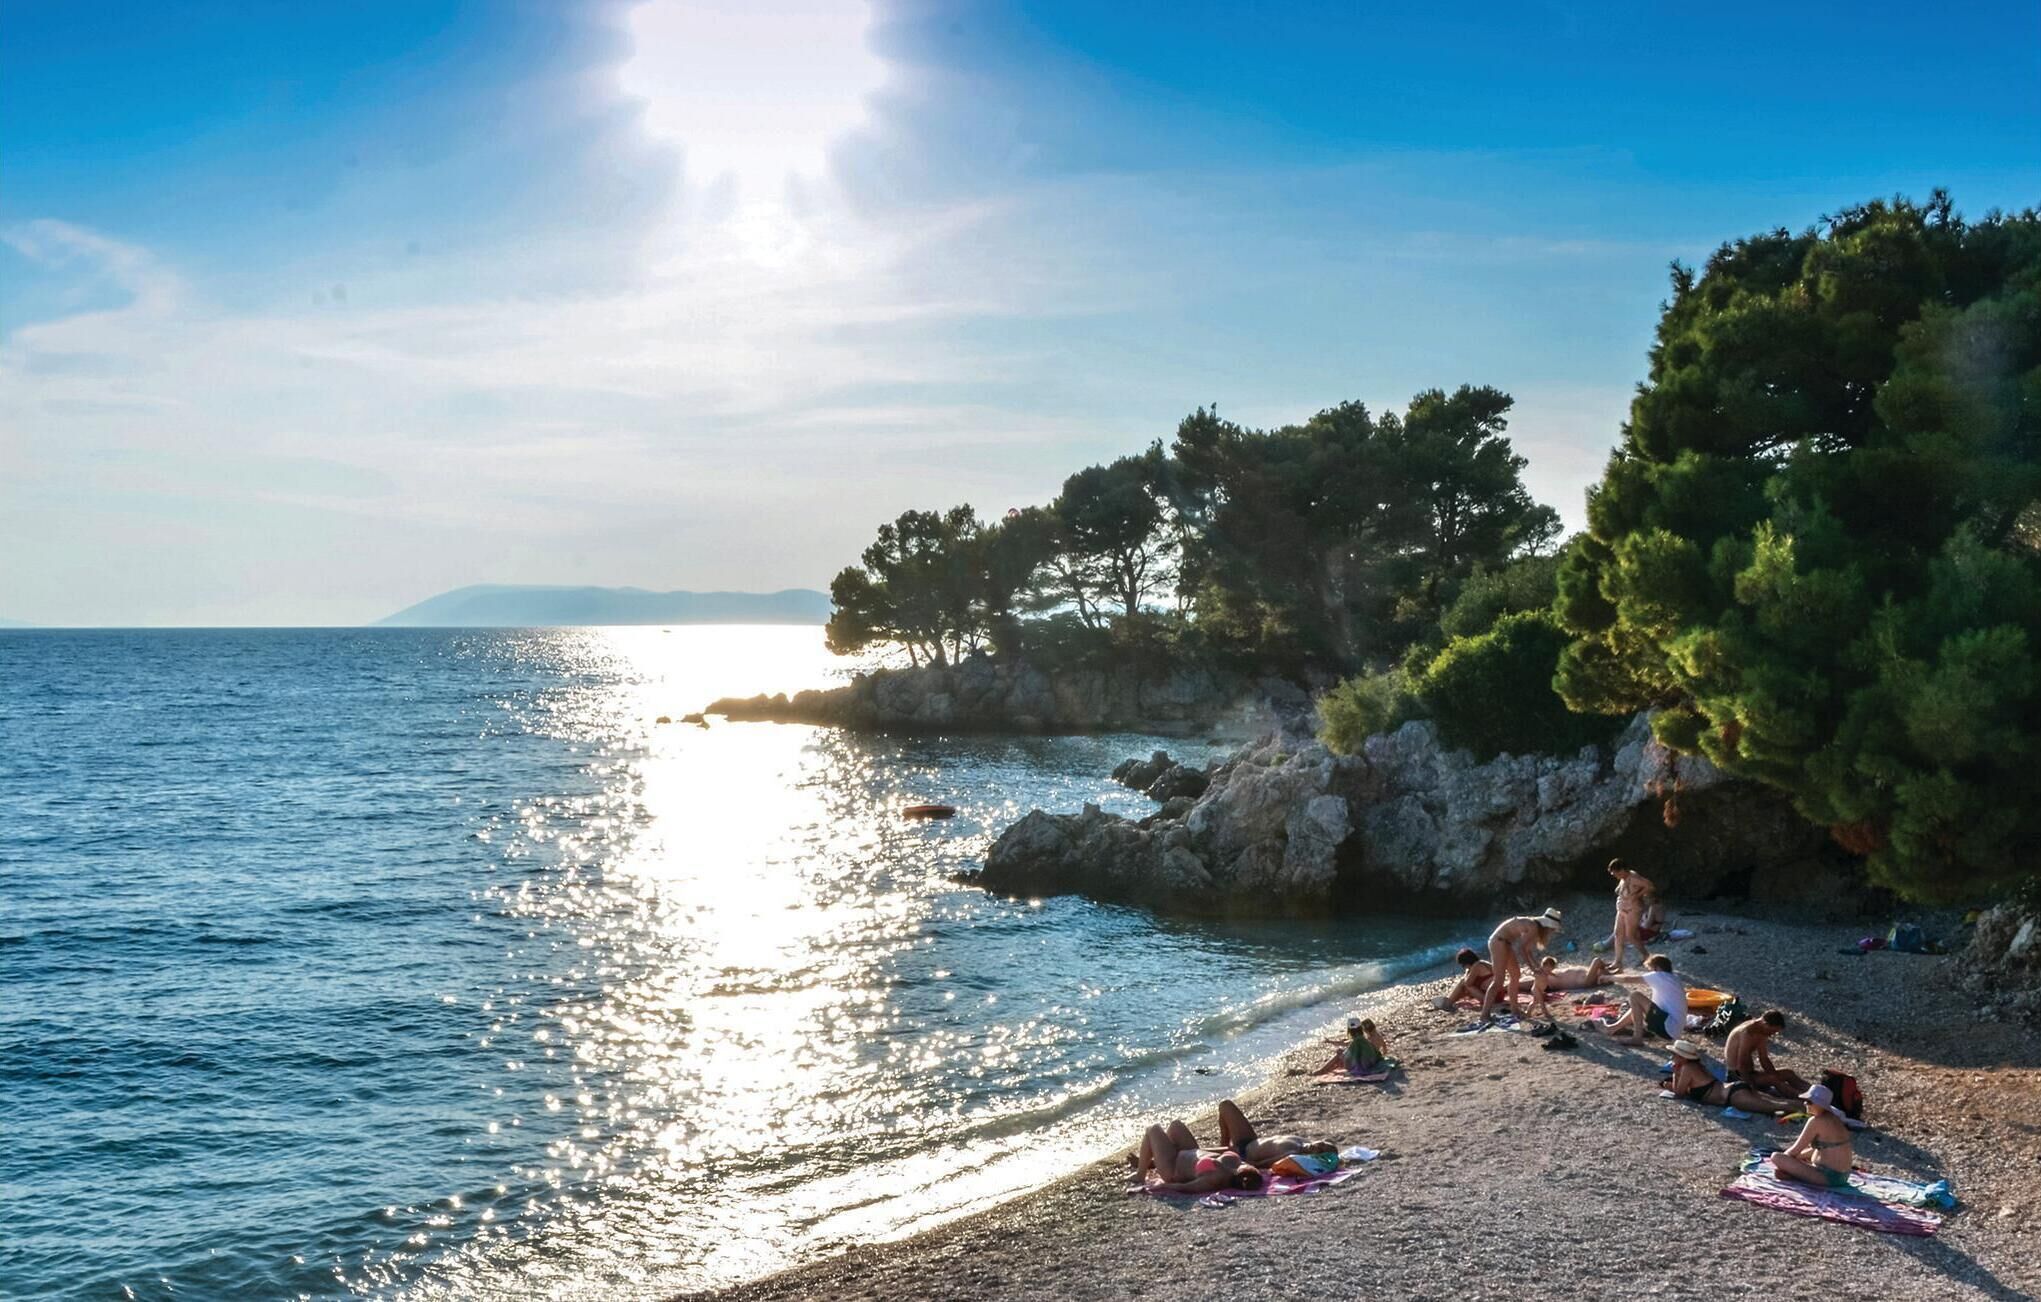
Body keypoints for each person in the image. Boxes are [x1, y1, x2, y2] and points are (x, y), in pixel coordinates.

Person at [1127, 1122, 1265, 1195]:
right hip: (1190, 1152)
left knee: (1153, 1129)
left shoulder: (1215, 1179)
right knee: (1176, 1125)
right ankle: (1155, 1155)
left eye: (1253, 1170)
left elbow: (1185, 1187)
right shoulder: (1237, 1165)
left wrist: (1160, 1186)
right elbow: (1254, 1164)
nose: (1253, 1168)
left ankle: (1140, 1174)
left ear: (1243, 1176)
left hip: (1173, 1167)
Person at [1665, 1038, 1793, 1115]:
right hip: (1735, 1089)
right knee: (1778, 1102)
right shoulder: (1697, 1066)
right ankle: (1803, 1106)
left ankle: (1804, 1112)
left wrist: (1675, 1072)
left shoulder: (1687, 1068)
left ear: (1682, 1057)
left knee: (1775, 1106)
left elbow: (1679, 1093)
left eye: (1674, 1055)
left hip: (1732, 1096)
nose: (1672, 1057)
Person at [1479, 907, 1564, 1020]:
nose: (1551, 932)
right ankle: (1484, 1014)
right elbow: (1522, 949)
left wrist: (1537, 967)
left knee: (1515, 975)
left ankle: (1514, 1009)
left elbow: (1528, 950)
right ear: (1547, 926)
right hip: (1498, 941)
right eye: (1552, 929)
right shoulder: (1533, 926)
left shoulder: (1534, 927)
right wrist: (1532, 968)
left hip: (1505, 942)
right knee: (1498, 980)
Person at [1771, 1083, 1858, 1190]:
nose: (1805, 1104)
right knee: (1796, 1157)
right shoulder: (1835, 1119)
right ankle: (1795, 1175)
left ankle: (1793, 1175)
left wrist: (1784, 1166)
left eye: (1809, 1102)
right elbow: (1823, 1148)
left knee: (1776, 1157)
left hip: (1828, 1177)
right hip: (1843, 1177)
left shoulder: (1816, 1121)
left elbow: (1794, 1150)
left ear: (1819, 1104)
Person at [1591, 953, 1686, 1045]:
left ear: (1657, 968)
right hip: (1673, 1030)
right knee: (1637, 1005)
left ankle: (1637, 1038)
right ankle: (1612, 1029)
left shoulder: (1659, 976)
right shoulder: (1673, 978)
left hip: (1668, 1028)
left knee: (1635, 996)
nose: (1651, 972)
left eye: (1651, 969)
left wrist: (1608, 977)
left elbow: (1627, 979)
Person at [1212, 1098, 1338, 1166]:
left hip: (1243, 1153)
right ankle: (1223, 1144)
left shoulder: (1294, 1154)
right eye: (1321, 1144)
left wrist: (1236, 1161)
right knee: (1225, 1105)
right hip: (1251, 1140)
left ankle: (1225, 1149)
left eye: (1319, 1151)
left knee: (1199, 1152)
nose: (1317, 1147)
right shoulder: (1305, 1142)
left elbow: (1261, 1164)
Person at [1724, 1011, 1810, 1098]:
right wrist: (1751, 1087)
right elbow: (1741, 1065)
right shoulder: (1747, 1033)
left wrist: (1775, 1074)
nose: (1772, 1034)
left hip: (1751, 1073)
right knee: (1773, 1080)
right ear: (1765, 1024)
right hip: (1737, 1076)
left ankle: (1812, 1090)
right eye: (1772, 1031)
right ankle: (1803, 1098)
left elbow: (1764, 1059)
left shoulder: (1762, 1031)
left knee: (1788, 1073)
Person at [1605, 859, 1656, 971]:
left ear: (1622, 870)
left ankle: (1647, 956)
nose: (1615, 876)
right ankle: (1618, 962)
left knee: (1631, 936)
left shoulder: (1634, 878)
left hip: (1632, 909)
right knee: (1618, 934)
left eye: (1616, 873)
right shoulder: (1624, 878)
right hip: (1622, 908)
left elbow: (1650, 886)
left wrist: (1637, 895)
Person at [1523, 955, 1614, 1017]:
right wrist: (1607, 969)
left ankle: (1535, 1013)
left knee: (1533, 995)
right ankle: (1529, 1012)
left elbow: (1597, 961)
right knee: (1531, 993)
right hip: (1547, 979)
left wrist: (1607, 970)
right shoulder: (1591, 975)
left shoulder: (1588, 981)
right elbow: (1598, 963)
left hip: (1548, 982)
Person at [1315, 1016, 1391, 1075]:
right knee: (1342, 1054)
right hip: (1372, 1061)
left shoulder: (1358, 1041)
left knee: (1339, 1054)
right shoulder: (1367, 1039)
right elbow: (1383, 1047)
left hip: (1363, 1065)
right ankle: (1326, 1069)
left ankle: (1322, 1070)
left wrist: (1339, 1053)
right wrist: (1384, 1054)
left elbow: (1350, 1053)